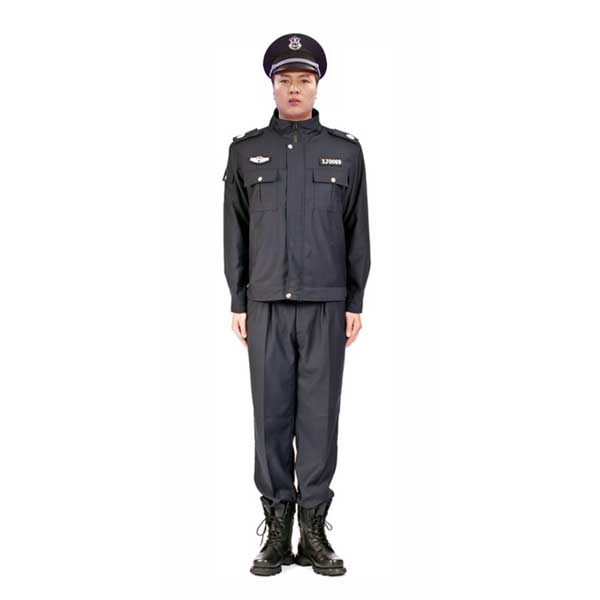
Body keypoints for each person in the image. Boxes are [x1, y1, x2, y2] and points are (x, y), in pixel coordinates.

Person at [222, 33, 371, 577]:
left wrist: (355, 298)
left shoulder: (345, 151)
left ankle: (313, 533)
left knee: (319, 418)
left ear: (316, 85)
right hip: (263, 304)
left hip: (327, 305)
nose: (293, 88)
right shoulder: (245, 151)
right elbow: (235, 230)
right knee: (270, 417)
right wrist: (238, 298)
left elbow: (357, 230)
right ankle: (277, 531)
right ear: (272, 85)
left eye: (303, 79)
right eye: (284, 79)